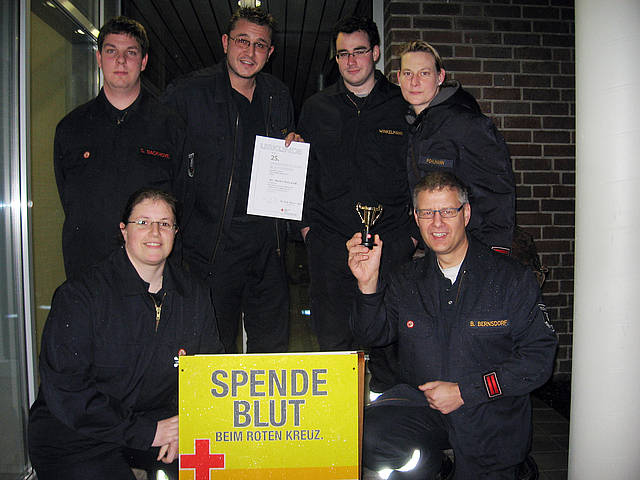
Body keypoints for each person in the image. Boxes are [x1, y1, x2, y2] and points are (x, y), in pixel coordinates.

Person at [347, 172, 557, 479]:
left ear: (466, 213)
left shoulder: (510, 278)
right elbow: (371, 334)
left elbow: (539, 359)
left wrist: (466, 391)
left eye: (447, 211)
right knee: (368, 435)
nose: (437, 223)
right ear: (416, 217)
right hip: (424, 406)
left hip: (489, 412)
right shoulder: (406, 279)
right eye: (427, 213)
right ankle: (436, 467)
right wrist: (367, 284)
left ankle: (514, 468)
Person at [28, 188, 224, 480]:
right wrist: (148, 432)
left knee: (224, 466)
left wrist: (185, 425)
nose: (155, 232)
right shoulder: (81, 295)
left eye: (165, 223)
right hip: (77, 433)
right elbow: (68, 389)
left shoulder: (193, 295)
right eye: (143, 222)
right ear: (124, 230)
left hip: (155, 422)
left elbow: (209, 371)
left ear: (175, 232)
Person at [162, 7, 301, 354]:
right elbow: (165, 167)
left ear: (270, 52)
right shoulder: (189, 93)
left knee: (271, 349)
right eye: (242, 41)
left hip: (268, 243)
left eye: (260, 45)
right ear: (225, 42)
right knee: (213, 348)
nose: (250, 52)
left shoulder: (277, 95)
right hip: (211, 245)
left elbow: (284, 155)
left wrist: (293, 146)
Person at [297, 16, 417, 393]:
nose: (350, 61)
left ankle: (388, 424)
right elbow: (305, 174)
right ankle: (340, 425)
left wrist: (411, 238)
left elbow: (421, 172)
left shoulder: (403, 105)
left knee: (390, 349)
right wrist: (308, 231)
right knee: (334, 348)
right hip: (330, 247)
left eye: (359, 51)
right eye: (342, 54)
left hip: (390, 246)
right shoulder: (316, 108)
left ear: (376, 53)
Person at [54, 16, 192, 279]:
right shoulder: (70, 128)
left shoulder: (171, 126)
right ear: (98, 58)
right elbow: (67, 197)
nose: (120, 60)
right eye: (111, 51)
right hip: (87, 271)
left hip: (151, 272)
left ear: (143, 61)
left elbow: (183, 199)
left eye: (131, 52)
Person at [398, 40, 515, 254]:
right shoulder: (413, 127)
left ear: (440, 77)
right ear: (399, 78)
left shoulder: (466, 124)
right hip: (438, 246)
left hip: (471, 249)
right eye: (408, 73)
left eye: (424, 73)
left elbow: (497, 190)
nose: (414, 82)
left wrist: (496, 252)